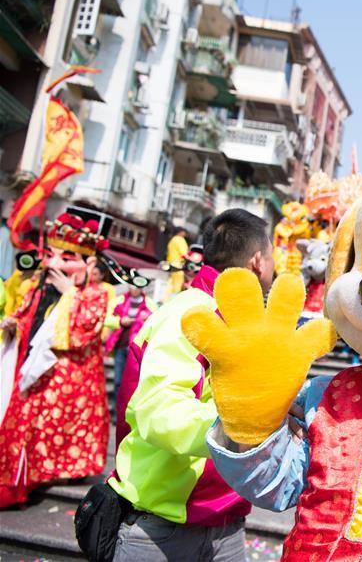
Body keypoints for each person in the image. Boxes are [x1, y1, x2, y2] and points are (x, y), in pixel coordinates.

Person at [107, 209, 275, 561]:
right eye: (273, 254)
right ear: (258, 260)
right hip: (165, 523)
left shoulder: (240, 318)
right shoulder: (193, 313)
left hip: (225, 519)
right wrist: (240, 431)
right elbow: (159, 410)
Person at [0, 214, 110, 507]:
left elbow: (84, 331)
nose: (55, 265)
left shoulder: (95, 294)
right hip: (36, 371)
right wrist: (14, 324)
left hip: (74, 376)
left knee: (65, 425)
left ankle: (59, 471)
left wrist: (70, 294)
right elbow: (27, 317)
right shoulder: (40, 286)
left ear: (86, 263)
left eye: (67, 258)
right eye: (51, 256)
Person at [105, 285, 155, 392]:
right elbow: (106, 319)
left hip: (138, 348)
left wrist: (144, 321)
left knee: (134, 382)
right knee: (118, 381)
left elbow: (155, 324)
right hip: (121, 346)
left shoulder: (150, 304)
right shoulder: (118, 301)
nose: (135, 289)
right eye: (133, 286)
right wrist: (120, 321)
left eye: (138, 287)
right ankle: (116, 408)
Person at [164, 228, 190, 299]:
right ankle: (174, 299)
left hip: (171, 264)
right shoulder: (180, 239)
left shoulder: (172, 240)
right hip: (178, 265)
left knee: (170, 283)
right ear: (180, 232)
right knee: (177, 285)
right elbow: (184, 253)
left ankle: (166, 299)